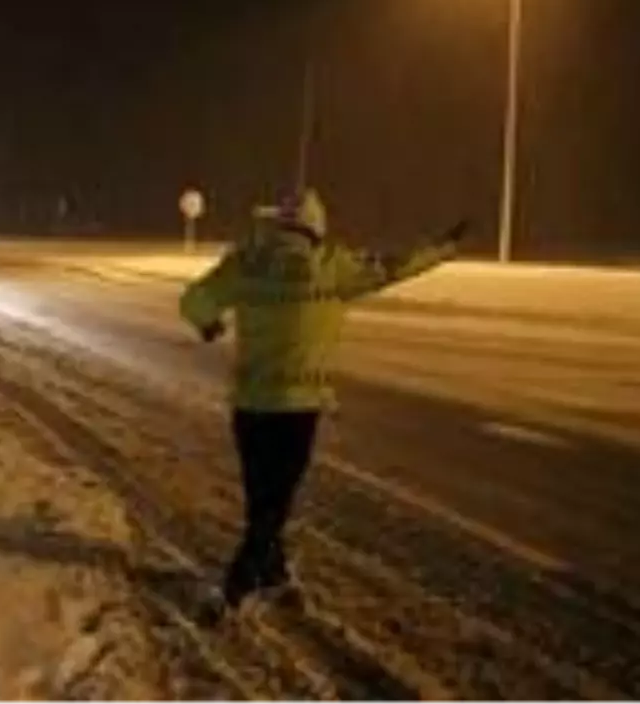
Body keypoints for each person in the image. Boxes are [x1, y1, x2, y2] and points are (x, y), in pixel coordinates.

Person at [180, 188, 468, 618]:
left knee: (263, 499)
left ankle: (275, 576)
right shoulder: (333, 266)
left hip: (250, 406)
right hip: (298, 409)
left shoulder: (247, 261)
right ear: (315, 227)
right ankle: (233, 589)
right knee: (273, 507)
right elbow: (394, 267)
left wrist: (210, 325)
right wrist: (443, 249)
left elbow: (193, 300)